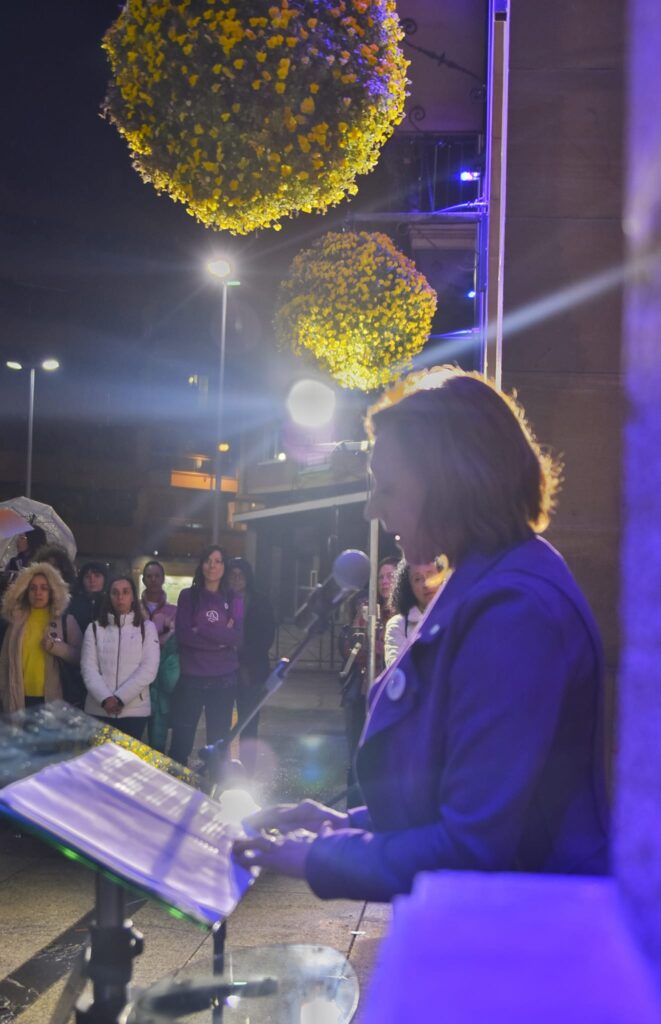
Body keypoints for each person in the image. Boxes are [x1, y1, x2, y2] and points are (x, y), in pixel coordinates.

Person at [233, 366, 610, 901]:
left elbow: (472, 848)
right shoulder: (495, 580)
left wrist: (317, 856)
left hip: (534, 930)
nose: (372, 507)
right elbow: (461, 803)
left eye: (386, 486)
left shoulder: (515, 609)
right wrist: (341, 823)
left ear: (452, 483)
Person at [169, 546, 243, 766]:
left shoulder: (236, 599)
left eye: (218, 561)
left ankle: (217, 784)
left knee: (219, 742)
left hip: (224, 679)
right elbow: (184, 635)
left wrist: (200, 629)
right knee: (181, 739)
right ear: (201, 565)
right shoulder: (187, 596)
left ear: (224, 566)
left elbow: (237, 637)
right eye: (208, 560)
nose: (212, 565)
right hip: (192, 678)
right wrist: (220, 639)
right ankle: (176, 782)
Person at [339, 554, 397, 803]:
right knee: (357, 758)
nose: (385, 582)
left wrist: (380, 646)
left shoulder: (406, 611)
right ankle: (354, 811)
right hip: (361, 691)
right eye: (381, 577)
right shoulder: (368, 608)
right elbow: (351, 648)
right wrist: (361, 630)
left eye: (390, 576)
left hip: (392, 694)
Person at [80, 575, 159, 740]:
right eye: (115, 593)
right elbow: (88, 669)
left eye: (125, 592)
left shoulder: (147, 628)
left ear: (133, 597)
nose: (120, 597)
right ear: (109, 597)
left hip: (134, 711)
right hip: (98, 709)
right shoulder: (94, 628)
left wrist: (120, 698)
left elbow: (149, 668)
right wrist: (105, 699)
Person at [0, 561, 82, 713]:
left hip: (54, 699)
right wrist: (4, 695)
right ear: (25, 591)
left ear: (53, 591)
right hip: (19, 699)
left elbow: (81, 657)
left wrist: (57, 647)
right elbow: (4, 662)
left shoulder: (66, 621)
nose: (38, 593)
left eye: (44, 588)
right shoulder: (15, 622)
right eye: (33, 588)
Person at [227, 556, 276, 774]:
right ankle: (222, 769)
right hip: (224, 669)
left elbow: (266, 636)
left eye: (241, 574)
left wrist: (244, 656)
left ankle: (247, 771)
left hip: (253, 670)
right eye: (233, 575)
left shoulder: (260, 601)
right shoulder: (221, 599)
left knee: (249, 722)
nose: (237, 579)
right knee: (221, 722)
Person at [33, 543, 87, 707]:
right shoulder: (25, 609)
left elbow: (82, 655)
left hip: (59, 691)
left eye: (55, 567)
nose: (50, 572)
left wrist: (56, 647)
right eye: (46, 566)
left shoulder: (75, 606)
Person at [140, 560, 178, 752]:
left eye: (157, 576)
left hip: (162, 681)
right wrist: (164, 634)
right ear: (143, 580)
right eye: (149, 576)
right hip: (137, 678)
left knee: (158, 741)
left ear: (163, 579)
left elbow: (175, 642)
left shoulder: (174, 610)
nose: (153, 580)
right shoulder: (133, 608)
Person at [383, 559, 447, 667]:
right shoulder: (398, 625)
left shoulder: (458, 616)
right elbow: (396, 669)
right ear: (409, 587)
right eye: (417, 579)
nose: (426, 583)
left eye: (430, 575)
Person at [70, 561, 109, 633]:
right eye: (87, 577)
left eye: (97, 576)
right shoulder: (73, 603)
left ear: (104, 579)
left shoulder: (110, 602)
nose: (92, 580)